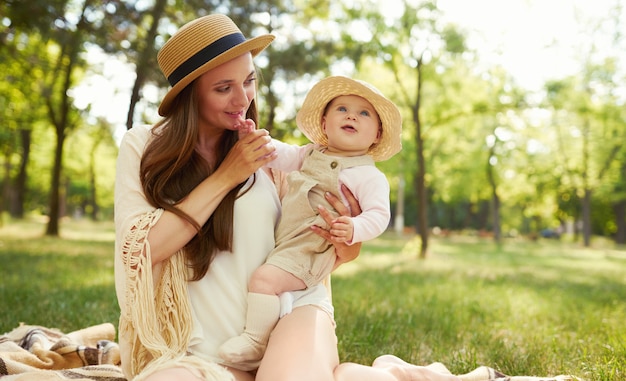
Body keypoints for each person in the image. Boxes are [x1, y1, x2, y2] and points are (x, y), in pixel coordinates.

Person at [114, 12, 467, 381]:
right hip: (196, 353)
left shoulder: (271, 155)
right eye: (224, 88)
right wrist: (227, 175)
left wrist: (346, 237)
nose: (242, 98)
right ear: (190, 94)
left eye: (249, 81)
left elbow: (321, 249)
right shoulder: (144, 146)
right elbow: (142, 248)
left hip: (291, 319)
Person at [217, 76, 402, 366]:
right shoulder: (310, 153)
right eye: (342, 109)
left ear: (377, 134)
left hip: (311, 250)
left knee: (264, 279)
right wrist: (254, 140)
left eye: (364, 113)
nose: (352, 115)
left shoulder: (368, 176)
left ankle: (254, 341)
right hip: (291, 242)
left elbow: (379, 216)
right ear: (325, 124)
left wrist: (354, 228)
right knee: (268, 278)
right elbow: (280, 154)